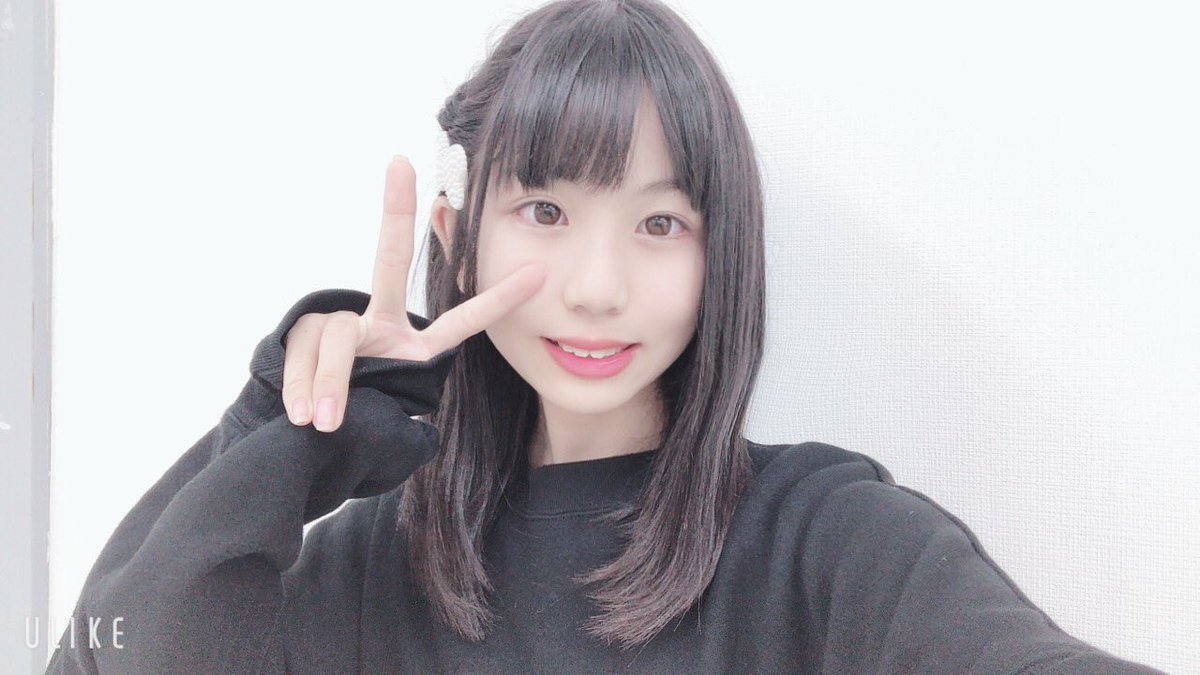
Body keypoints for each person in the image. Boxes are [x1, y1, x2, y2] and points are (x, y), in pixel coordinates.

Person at [47, 0, 1163, 672]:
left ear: (722, 254)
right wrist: (284, 436)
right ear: (457, 238)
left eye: (659, 224)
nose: (595, 287)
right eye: (545, 210)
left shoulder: (829, 543)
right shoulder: (366, 566)